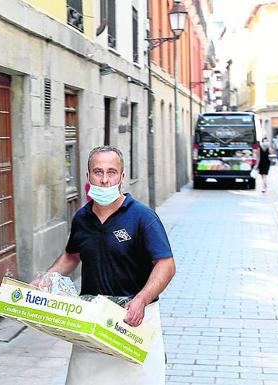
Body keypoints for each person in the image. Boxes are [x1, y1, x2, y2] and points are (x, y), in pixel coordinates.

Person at [34, 145, 175, 385]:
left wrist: (141, 299)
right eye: (98, 172)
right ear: (88, 176)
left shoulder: (142, 216)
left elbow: (166, 264)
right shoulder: (82, 217)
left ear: (122, 177)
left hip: (134, 319)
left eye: (112, 172)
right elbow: (71, 255)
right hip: (91, 318)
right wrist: (45, 280)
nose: (105, 179)